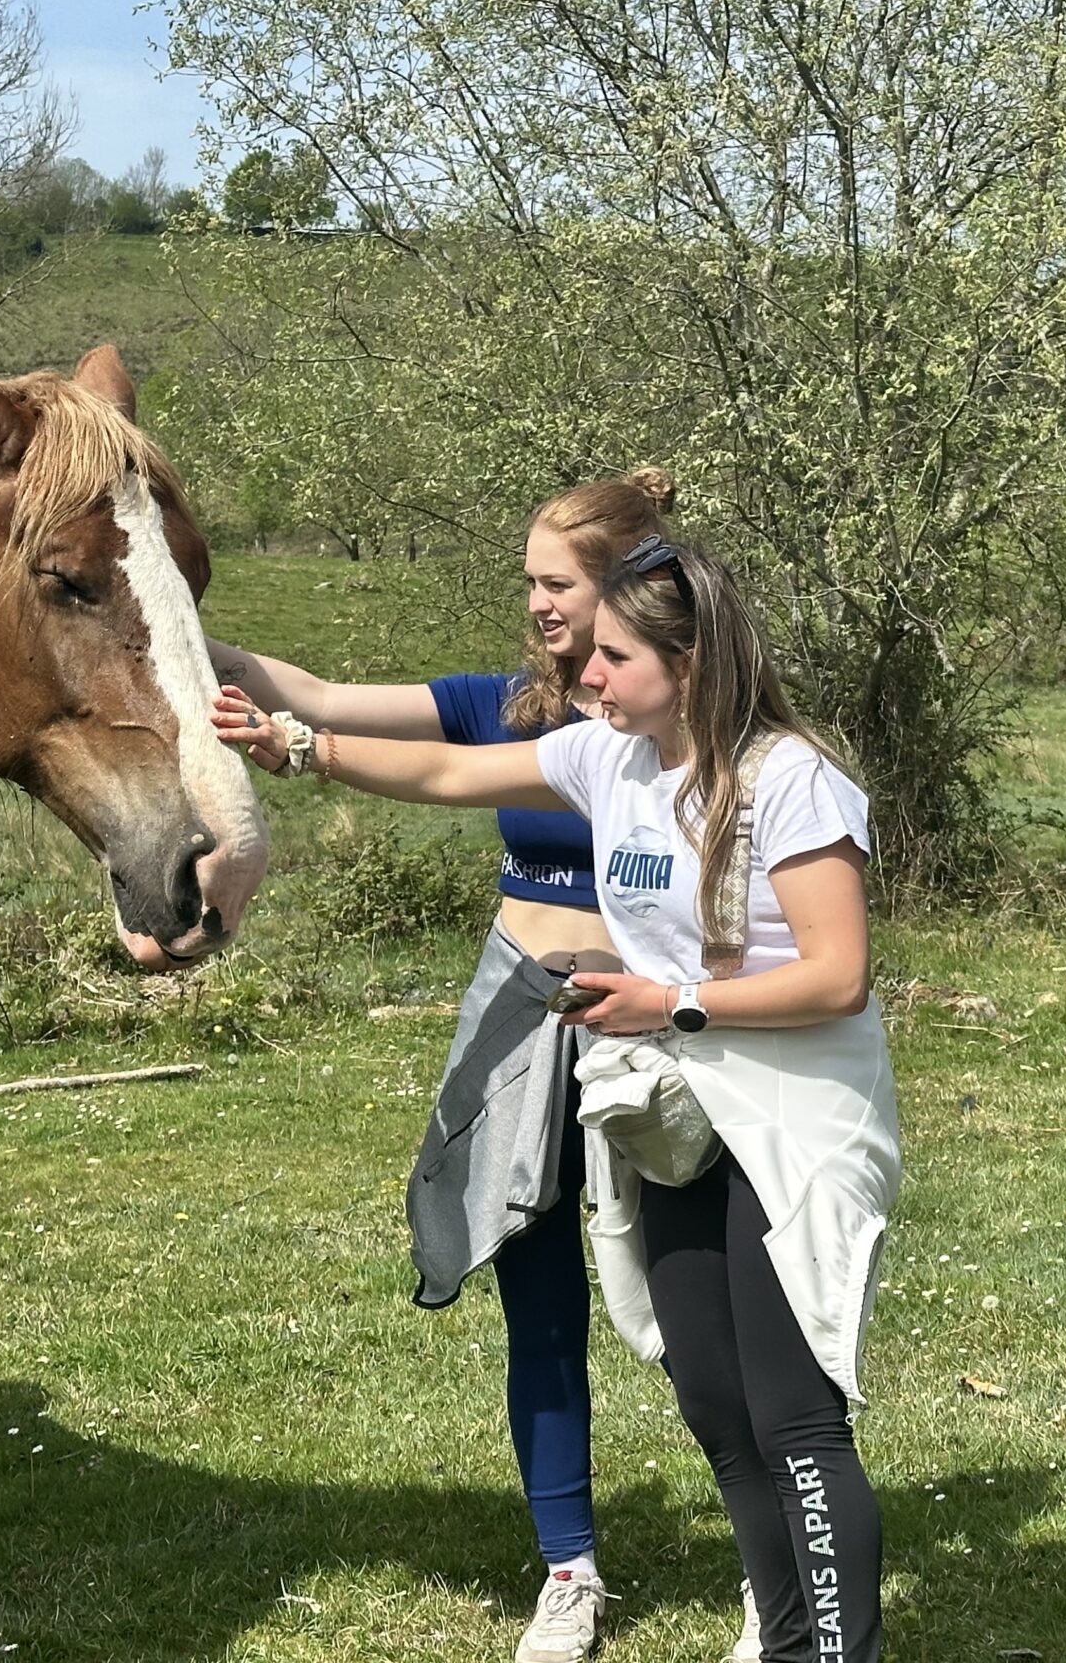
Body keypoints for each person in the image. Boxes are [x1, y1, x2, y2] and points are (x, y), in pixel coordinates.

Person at [216, 535, 899, 1663]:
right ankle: (787, 1644)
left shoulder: (787, 779)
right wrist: (296, 747)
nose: (588, 672)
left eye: (616, 656)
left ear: (692, 663)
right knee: (716, 1403)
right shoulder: (606, 758)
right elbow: (447, 775)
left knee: (793, 1415)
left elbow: (839, 977)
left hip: (793, 1118)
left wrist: (668, 1002)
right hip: (677, 1116)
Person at [204, 473, 671, 1663]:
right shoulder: (503, 704)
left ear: (625, 585)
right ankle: (568, 1568)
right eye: (530, 582)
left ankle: (776, 1540)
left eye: (556, 582)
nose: (537, 603)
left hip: (647, 1019)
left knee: (692, 1294)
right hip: (519, 1004)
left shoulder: (674, 719)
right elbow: (315, 697)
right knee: (535, 1285)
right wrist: (166, 629)